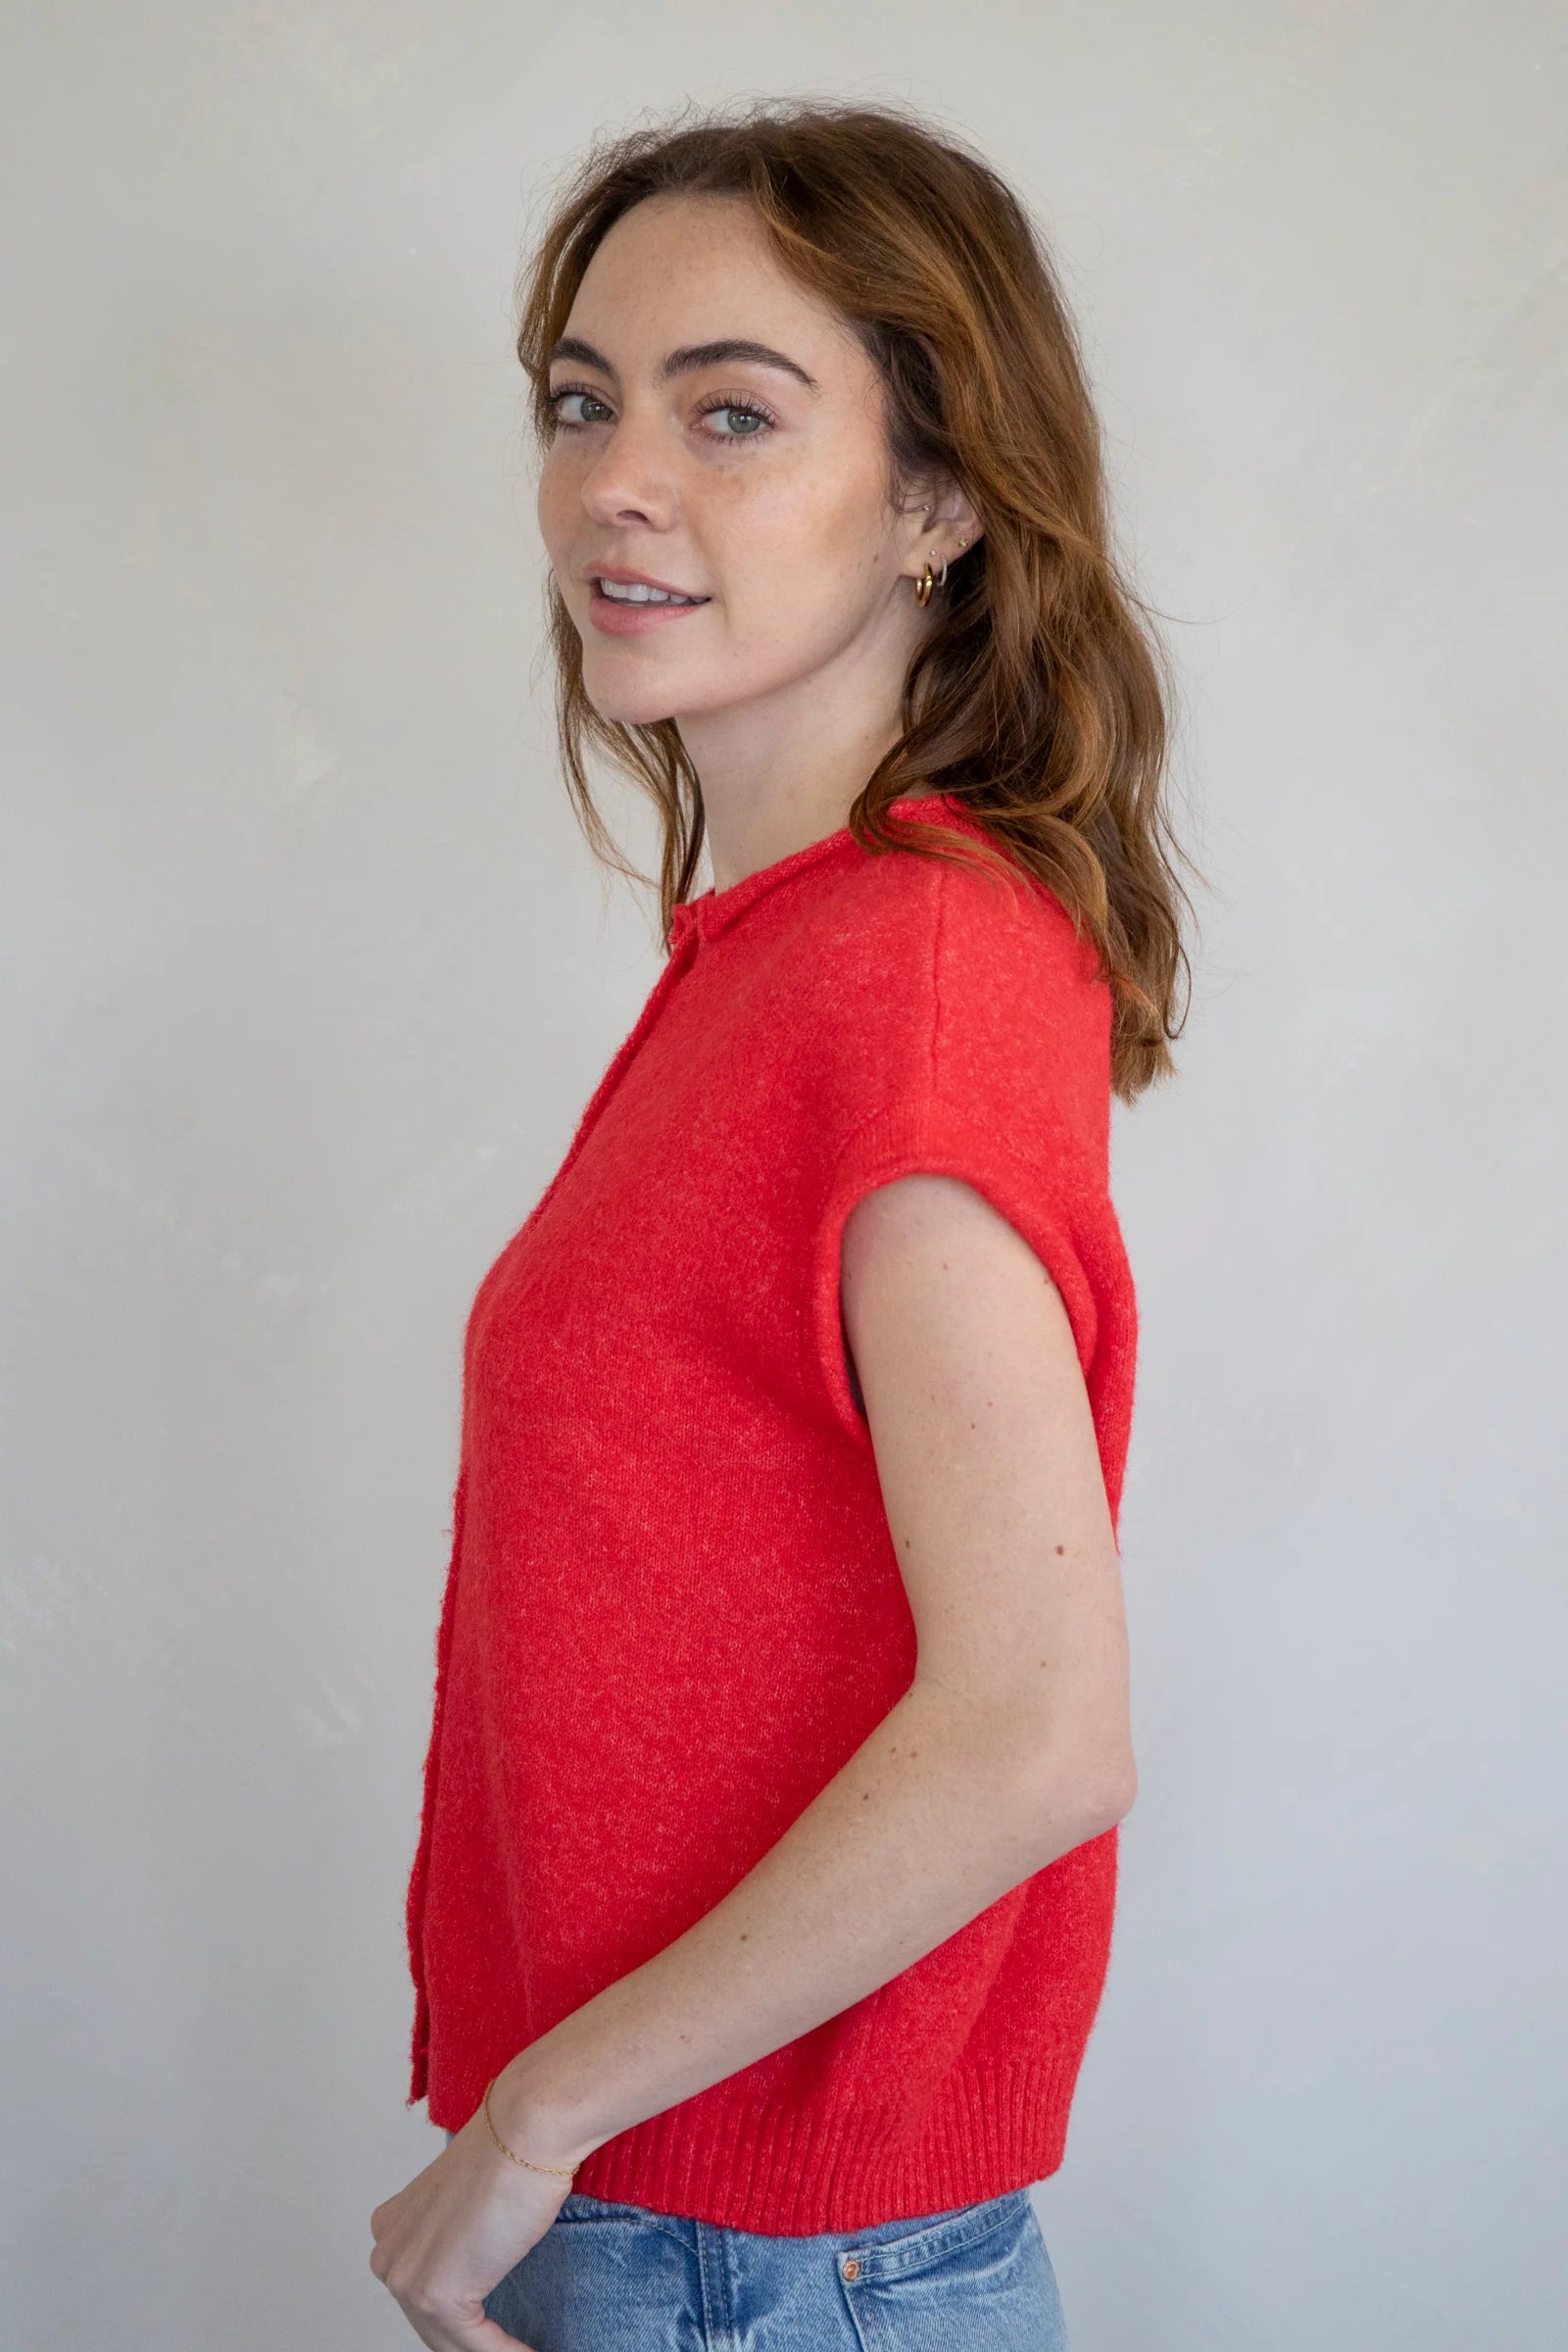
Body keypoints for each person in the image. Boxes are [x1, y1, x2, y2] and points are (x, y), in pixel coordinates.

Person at [370, 95, 1195, 2351]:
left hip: (753, 2259)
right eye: (579, 402)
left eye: (730, 412)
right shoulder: (786, 963)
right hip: (699, 2235)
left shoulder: (905, 974)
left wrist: (538, 2121)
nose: (614, 478)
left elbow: (1037, 1727)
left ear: (933, 499)